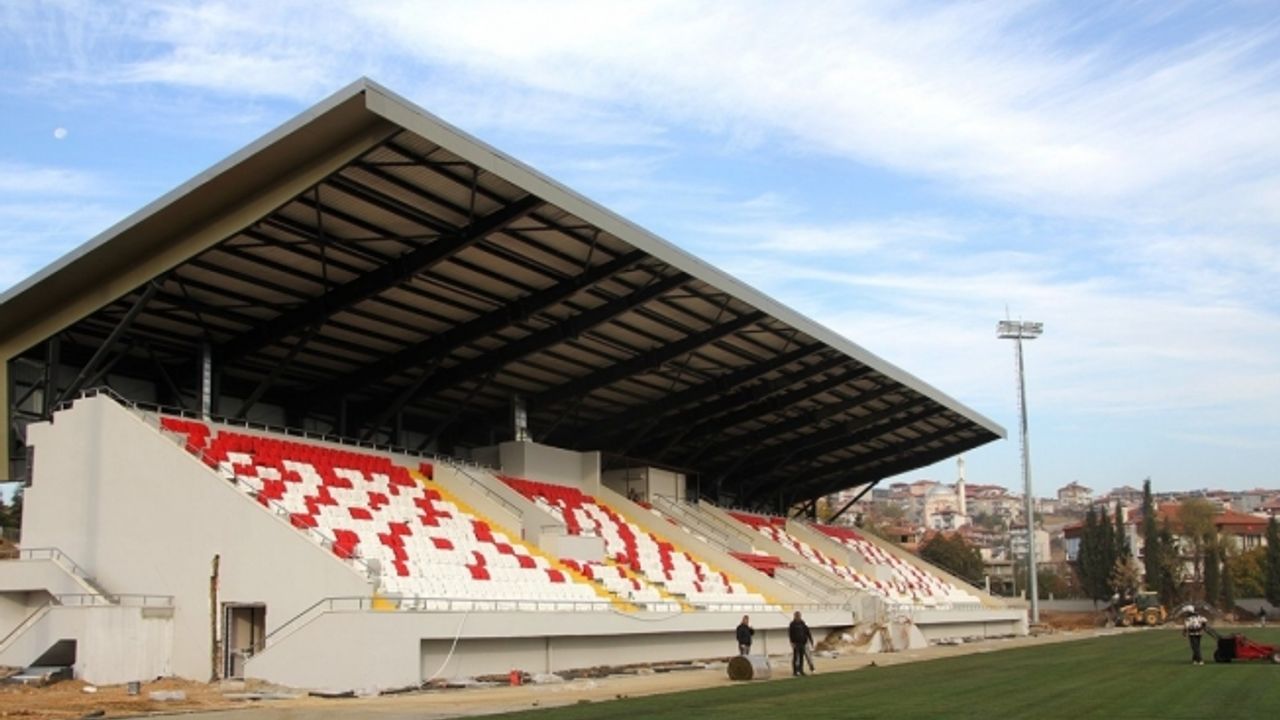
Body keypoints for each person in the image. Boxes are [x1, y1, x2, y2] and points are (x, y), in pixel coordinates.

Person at [788, 610, 813, 676]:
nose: (798, 617)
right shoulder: (792, 624)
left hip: (803, 643)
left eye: (799, 616)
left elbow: (807, 632)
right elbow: (790, 634)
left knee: (801, 657)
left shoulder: (802, 623)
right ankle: (795, 671)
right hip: (796, 643)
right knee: (796, 657)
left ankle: (801, 670)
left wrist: (810, 640)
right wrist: (792, 642)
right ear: (795, 616)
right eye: (797, 616)